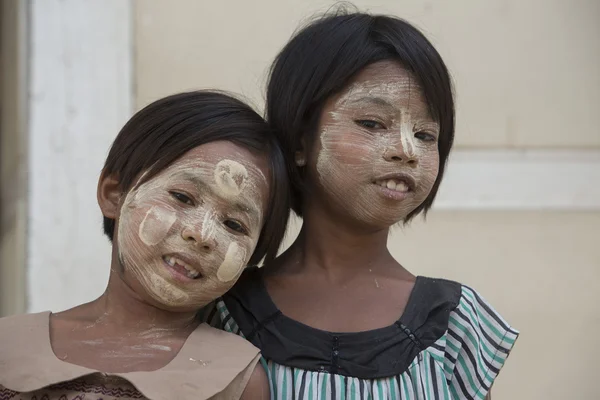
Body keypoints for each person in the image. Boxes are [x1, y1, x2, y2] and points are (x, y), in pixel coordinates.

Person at [203, 10, 519, 400]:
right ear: (301, 141)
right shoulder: (219, 313)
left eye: (424, 134)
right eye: (372, 123)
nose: (406, 151)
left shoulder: (456, 324)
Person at [0, 91, 288, 400]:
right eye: (182, 197)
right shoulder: (9, 344)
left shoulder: (237, 379)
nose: (202, 234)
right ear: (114, 195)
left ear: (251, 256)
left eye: (233, 225)